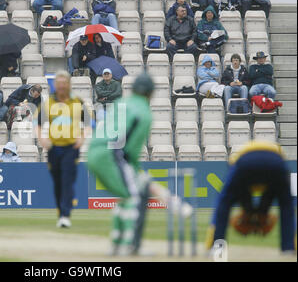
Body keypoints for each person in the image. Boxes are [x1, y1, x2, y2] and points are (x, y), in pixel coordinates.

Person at [87, 73, 192, 256]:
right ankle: (129, 246)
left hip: (94, 152)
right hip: (112, 154)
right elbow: (131, 152)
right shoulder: (144, 113)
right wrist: (136, 172)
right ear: (150, 94)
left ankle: (117, 244)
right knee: (134, 198)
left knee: (126, 196)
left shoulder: (120, 103)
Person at [206, 140, 296, 254]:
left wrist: (249, 212)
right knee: (287, 204)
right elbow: (268, 195)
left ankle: (216, 246)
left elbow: (242, 193)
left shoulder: (238, 160)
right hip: (276, 161)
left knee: (224, 202)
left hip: (246, 160)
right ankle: (289, 248)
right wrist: (261, 213)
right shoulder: (274, 160)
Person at [36, 70, 91, 228]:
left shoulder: (77, 102)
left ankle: (65, 215)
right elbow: (38, 124)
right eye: (58, 84)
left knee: (67, 179)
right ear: (55, 85)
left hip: (71, 147)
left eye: (63, 84)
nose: (60, 87)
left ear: (68, 85)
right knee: (58, 181)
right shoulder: (48, 103)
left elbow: (88, 124)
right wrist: (42, 139)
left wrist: (82, 137)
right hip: (54, 148)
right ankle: (61, 211)